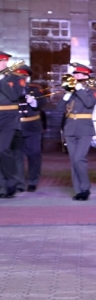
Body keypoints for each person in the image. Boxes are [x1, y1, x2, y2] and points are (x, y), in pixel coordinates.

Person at [59, 63, 96, 200]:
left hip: (85, 129)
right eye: (75, 74)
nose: (75, 77)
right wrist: (66, 96)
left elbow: (89, 103)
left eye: (79, 75)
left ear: (86, 77)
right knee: (73, 161)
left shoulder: (93, 91)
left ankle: (85, 188)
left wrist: (79, 89)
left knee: (79, 158)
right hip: (70, 128)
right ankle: (78, 190)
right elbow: (59, 109)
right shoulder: (71, 92)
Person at [11, 66, 46, 194]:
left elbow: (43, 102)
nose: (21, 79)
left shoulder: (34, 89)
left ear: (27, 78)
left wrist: (34, 103)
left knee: (34, 154)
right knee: (17, 156)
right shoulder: (9, 89)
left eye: (23, 77)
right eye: (18, 76)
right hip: (16, 126)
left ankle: (32, 181)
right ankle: (19, 183)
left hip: (32, 126)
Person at [0, 51, 25, 197]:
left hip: (9, 117)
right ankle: (2, 188)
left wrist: (2, 80)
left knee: (3, 149)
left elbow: (14, 96)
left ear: (5, 62)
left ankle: (11, 180)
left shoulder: (16, 78)